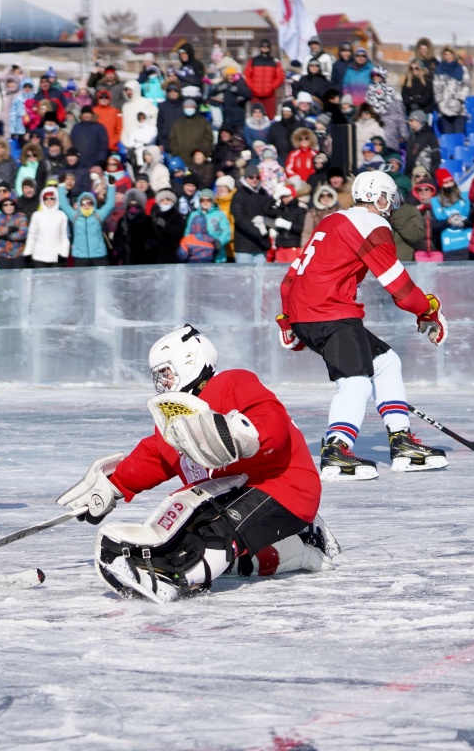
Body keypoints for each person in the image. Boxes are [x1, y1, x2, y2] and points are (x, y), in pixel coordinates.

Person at [58, 324, 333, 603]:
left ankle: (174, 577)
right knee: (187, 534)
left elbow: (270, 419)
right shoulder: (177, 419)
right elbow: (154, 456)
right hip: (229, 497)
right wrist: (112, 487)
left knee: (215, 530)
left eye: (165, 373)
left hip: (282, 487)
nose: (162, 383)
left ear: (188, 362)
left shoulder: (232, 383)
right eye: (158, 377)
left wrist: (245, 434)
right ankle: (302, 546)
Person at [276, 169, 447, 481]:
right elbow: (398, 287)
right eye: (389, 198)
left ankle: (401, 441)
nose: (391, 205)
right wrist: (428, 310)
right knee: (355, 382)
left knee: (385, 362)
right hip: (330, 312)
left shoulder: (330, 220)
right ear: (379, 197)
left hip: (309, 313)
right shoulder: (373, 225)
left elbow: (290, 278)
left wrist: (289, 321)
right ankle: (337, 452)